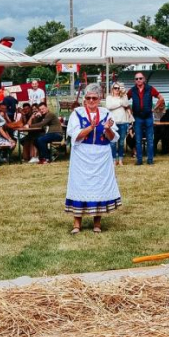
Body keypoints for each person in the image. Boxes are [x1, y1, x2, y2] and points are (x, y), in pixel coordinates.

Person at [65, 83, 121, 234]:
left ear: (99, 99)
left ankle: (97, 223)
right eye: (88, 98)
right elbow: (75, 135)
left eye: (94, 98)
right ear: (84, 99)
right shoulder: (77, 113)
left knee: (99, 187)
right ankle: (77, 224)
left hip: (101, 155)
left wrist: (108, 128)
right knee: (80, 186)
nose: (91, 101)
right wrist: (91, 127)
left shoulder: (106, 113)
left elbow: (112, 138)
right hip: (82, 155)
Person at [127, 72, 164, 165]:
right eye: (136, 79)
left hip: (148, 117)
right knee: (138, 140)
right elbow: (124, 101)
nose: (138, 80)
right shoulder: (132, 90)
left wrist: (154, 109)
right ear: (134, 81)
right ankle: (139, 160)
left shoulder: (150, 88)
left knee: (150, 139)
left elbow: (161, 98)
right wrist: (129, 110)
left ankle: (150, 160)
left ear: (144, 79)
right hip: (137, 117)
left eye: (140, 78)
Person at [105, 82, 132, 165]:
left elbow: (126, 104)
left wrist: (123, 95)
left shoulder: (123, 96)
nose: (117, 89)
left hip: (123, 121)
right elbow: (109, 106)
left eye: (118, 88)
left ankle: (120, 159)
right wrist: (120, 103)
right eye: (115, 88)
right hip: (113, 123)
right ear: (112, 89)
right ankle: (113, 159)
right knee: (113, 142)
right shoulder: (109, 97)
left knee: (121, 142)